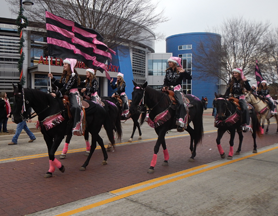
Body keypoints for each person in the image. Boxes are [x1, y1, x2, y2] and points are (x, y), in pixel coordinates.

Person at [48, 58, 83, 136]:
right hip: (66, 94)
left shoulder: (73, 75)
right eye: (63, 64)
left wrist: (57, 94)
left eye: (65, 64)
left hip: (73, 94)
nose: (63, 65)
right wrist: (53, 78)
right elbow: (61, 86)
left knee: (75, 107)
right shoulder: (65, 75)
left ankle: (76, 125)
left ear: (70, 65)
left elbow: (67, 87)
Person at [162, 56, 192, 131]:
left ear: (175, 63)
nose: (169, 63)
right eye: (168, 62)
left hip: (176, 89)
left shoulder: (180, 70)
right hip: (168, 89)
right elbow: (165, 81)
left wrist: (184, 72)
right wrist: (164, 86)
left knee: (181, 103)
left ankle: (181, 119)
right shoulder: (168, 71)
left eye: (170, 62)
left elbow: (189, 78)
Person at [224, 68, 252, 132]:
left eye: (236, 73)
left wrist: (246, 81)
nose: (234, 74)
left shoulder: (242, 80)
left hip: (241, 98)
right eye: (233, 73)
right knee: (224, 106)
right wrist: (226, 96)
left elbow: (248, 88)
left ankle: (246, 123)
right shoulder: (231, 80)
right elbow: (228, 89)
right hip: (233, 97)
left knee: (245, 108)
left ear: (239, 74)